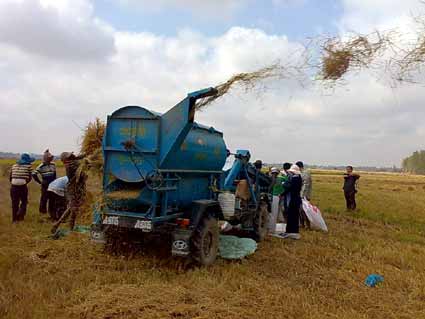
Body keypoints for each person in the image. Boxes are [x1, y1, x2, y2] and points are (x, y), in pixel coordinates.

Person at [279, 164, 303, 239]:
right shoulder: (298, 178)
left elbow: (289, 188)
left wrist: (281, 194)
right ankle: (293, 231)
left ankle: (290, 231)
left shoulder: (295, 179)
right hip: (297, 199)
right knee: (294, 216)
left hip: (294, 199)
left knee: (291, 215)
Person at [9, 153, 35, 223]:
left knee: (15, 203)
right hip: (22, 186)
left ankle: (14, 220)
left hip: (13, 187)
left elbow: (10, 177)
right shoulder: (29, 166)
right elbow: (30, 177)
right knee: (24, 201)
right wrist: (25, 182)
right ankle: (21, 215)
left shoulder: (14, 166)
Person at [32, 149, 56, 216]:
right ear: (45, 158)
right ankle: (42, 212)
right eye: (49, 158)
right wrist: (39, 182)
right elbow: (34, 174)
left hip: (52, 183)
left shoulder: (53, 164)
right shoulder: (41, 165)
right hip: (45, 183)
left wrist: (55, 181)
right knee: (44, 198)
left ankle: (51, 211)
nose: (50, 159)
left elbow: (54, 173)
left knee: (52, 198)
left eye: (50, 158)